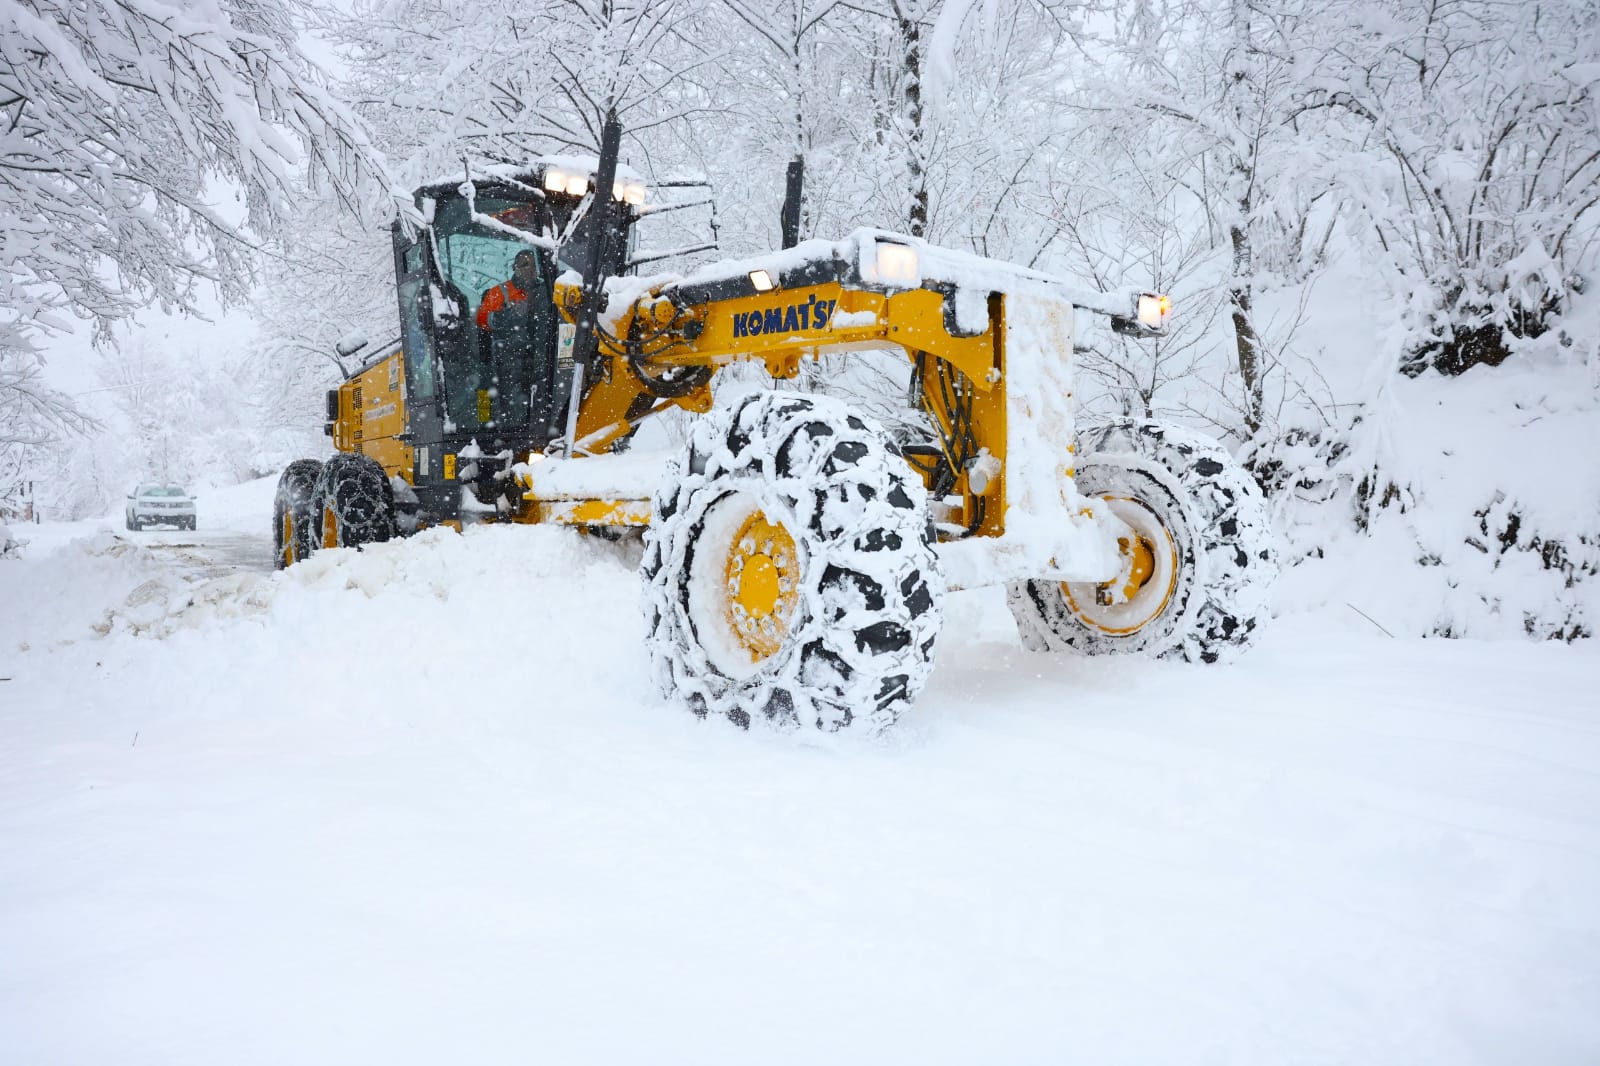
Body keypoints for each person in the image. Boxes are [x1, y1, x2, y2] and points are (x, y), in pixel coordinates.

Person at [477, 249, 541, 332]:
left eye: (534, 265)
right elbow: (481, 320)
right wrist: (506, 315)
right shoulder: (500, 291)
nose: (530, 269)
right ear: (514, 267)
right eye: (525, 265)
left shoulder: (547, 291)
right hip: (508, 342)